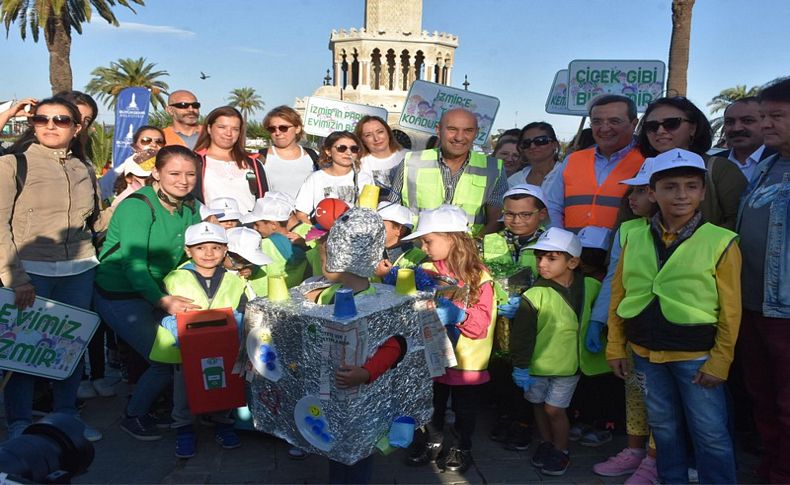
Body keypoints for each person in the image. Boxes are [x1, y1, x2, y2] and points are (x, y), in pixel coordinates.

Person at [606, 148, 741, 484]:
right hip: (645, 352)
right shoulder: (633, 235)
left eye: (691, 186)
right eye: (670, 187)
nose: (681, 194)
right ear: (652, 192)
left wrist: (720, 361)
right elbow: (620, 293)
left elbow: (731, 309)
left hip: (696, 356)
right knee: (664, 430)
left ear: (703, 192)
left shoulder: (721, 241)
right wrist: (615, 346)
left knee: (710, 434)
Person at [0, 96, 111, 441]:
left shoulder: (84, 169)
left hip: (78, 270)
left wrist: (126, 200)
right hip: (30, 272)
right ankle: (20, 423)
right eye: (42, 119)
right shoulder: (12, 165)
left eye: (61, 120)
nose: (50, 125)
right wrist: (15, 277)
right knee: (25, 352)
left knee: (70, 349)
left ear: (77, 128)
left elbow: (94, 223)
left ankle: (65, 418)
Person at [93, 145, 203, 441]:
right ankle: (134, 415)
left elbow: (191, 253)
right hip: (120, 293)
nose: (183, 180)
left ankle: (162, 406)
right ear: (156, 173)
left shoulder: (190, 206)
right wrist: (163, 300)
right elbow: (134, 264)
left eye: (190, 173)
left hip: (156, 290)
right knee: (163, 358)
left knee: (180, 353)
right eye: (175, 173)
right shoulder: (137, 206)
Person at [299, 207, 405, 484]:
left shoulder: (375, 301)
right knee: (335, 447)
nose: (322, 265)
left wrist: (367, 373)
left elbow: (393, 344)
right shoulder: (328, 293)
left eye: (324, 259)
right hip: (331, 389)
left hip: (360, 392)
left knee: (357, 449)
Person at [403, 205, 496, 473]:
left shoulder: (479, 276)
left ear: (452, 238)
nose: (423, 246)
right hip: (434, 355)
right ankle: (433, 441)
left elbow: (481, 325)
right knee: (432, 403)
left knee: (465, 408)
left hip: (467, 359)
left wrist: (459, 315)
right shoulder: (426, 270)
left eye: (428, 240)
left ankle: (460, 446)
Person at [508, 227, 602, 476]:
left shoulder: (591, 286)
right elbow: (522, 334)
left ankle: (561, 450)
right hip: (538, 365)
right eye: (539, 257)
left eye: (551, 258)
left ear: (572, 262)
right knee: (538, 405)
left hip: (570, 365)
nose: (542, 263)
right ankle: (547, 444)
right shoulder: (535, 293)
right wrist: (520, 364)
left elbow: (603, 314)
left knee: (553, 409)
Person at [588, 158, 659, 483]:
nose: (632, 197)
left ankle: (656, 459)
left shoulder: (696, 233)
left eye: (641, 191)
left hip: (671, 336)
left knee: (662, 400)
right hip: (633, 331)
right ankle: (634, 451)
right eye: (631, 190)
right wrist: (601, 322)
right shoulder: (629, 230)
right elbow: (615, 279)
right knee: (635, 391)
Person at [736, 78, 790, 484]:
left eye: (777, 116)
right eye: (765, 115)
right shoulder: (767, 165)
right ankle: (773, 464)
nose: (766, 125)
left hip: (785, 310)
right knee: (763, 395)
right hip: (752, 303)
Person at [160, 222, 246, 458]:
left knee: (223, 383)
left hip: (223, 344)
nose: (209, 253)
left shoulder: (235, 280)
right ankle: (184, 428)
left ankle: (222, 422)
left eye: (215, 247)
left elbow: (243, 308)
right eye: (200, 248)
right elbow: (165, 312)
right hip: (186, 346)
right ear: (188, 250)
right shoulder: (175, 278)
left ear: (225, 249)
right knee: (184, 390)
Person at [481, 184, 548, 451]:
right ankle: (505, 416)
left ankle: (524, 423)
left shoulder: (551, 242)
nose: (516, 220)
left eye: (525, 215)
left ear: (541, 214)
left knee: (528, 372)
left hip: (533, 322)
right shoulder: (490, 241)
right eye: (510, 214)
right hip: (497, 322)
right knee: (500, 372)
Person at [390, 107, 508, 237]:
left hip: (469, 253)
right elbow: (392, 211)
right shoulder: (410, 162)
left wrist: (471, 249)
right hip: (417, 251)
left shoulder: (493, 169)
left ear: (476, 133)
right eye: (452, 129)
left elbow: (496, 221)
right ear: (438, 130)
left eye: (468, 130)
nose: (459, 137)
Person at [636, 96, 746, 230]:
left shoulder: (720, 169)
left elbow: (739, 221)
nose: (660, 131)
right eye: (651, 126)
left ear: (693, 128)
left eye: (671, 123)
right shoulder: (644, 170)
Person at [544, 95, 644, 232]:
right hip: (572, 250)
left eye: (614, 121)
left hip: (624, 251)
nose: (604, 128)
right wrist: (559, 241)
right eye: (597, 122)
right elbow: (552, 206)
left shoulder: (647, 161)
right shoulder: (573, 160)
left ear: (634, 124)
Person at [192, 106, 266, 212]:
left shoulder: (253, 163)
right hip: (212, 226)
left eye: (235, 129)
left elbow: (263, 200)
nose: (228, 133)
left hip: (249, 226)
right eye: (222, 127)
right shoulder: (195, 161)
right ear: (209, 128)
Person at [294, 131, 373, 222]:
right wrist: (314, 235)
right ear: (328, 151)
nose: (348, 152)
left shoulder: (365, 178)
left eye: (354, 149)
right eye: (342, 148)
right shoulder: (315, 178)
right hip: (321, 232)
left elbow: (369, 214)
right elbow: (301, 214)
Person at [242, 192, 308, 288]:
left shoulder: (265, 244)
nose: (254, 228)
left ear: (273, 225)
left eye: (257, 224)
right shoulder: (299, 245)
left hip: (261, 295)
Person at [260, 106, 319, 201]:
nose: (277, 133)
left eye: (283, 128)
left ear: (297, 128)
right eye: (272, 129)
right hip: (272, 215)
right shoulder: (260, 157)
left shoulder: (314, 157)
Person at [717, 97, 775, 184]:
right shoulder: (713, 163)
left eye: (747, 121)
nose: (736, 128)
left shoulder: (780, 161)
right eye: (729, 122)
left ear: (765, 123)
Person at [100, 125, 165, 200]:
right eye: (146, 140)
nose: (153, 145)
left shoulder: (170, 172)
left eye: (159, 141)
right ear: (135, 146)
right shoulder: (115, 174)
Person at [373, 201, 425, 278]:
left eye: (379, 224)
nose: (373, 228)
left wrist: (387, 276)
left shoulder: (419, 258)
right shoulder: (372, 252)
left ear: (401, 230)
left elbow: (420, 286)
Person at [354, 115, 407, 189]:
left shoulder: (408, 156)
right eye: (368, 135)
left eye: (380, 132)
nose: (376, 138)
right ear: (362, 140)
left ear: (388, 133)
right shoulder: (358, 163)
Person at [508, 122, 561, 187]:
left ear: (554, 145)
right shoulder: (514, 181)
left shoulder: (567, 174)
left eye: (540, 141)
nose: (532, 146)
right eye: (526, 143)